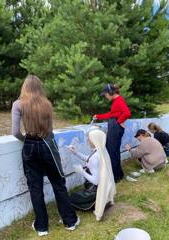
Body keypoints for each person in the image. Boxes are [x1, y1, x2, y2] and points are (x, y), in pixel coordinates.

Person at [11, 75, 79, 237]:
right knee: (58, 183)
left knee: (35, 187)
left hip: (29, 147)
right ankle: (69, 221)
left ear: (24, 87)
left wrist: (27, 140)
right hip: (48, 145)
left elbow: (15, 132)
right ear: (40, 88)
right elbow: (50, 131)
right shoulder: (47, 104)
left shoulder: (18, 104)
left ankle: (42, 227)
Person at [68, 127, 116, 221]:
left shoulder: (96, 156)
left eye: (89, 139)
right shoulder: (102, 151)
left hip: (95, 191)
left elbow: (95, 181)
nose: (87, 140)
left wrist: (82, 172)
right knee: (75, 195)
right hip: (105, 189)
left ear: (94, 140)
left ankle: (92, 204)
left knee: (71, 198)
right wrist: (75, 153)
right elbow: (89, 159)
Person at [94, 84, 131, 182]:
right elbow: (111, 114)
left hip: (115, 126)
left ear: (111, 92)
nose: (105, 96)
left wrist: (118, 122)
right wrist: (98, 116)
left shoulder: (119, 100)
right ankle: (118, 175)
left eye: (106, 94)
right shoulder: (116, 101)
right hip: (114, 125)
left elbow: (127, 113)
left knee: (112, 152)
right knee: (113, 151)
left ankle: (116, 176)